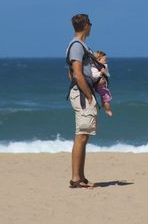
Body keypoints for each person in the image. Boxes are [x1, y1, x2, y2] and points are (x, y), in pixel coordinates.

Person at [65, 14, 100, 189]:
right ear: (86, 25)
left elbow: (70, 72)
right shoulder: (77, 46)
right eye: (90, 23)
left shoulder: (80, 46)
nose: (91, 26)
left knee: (84, 136)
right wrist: (88, 95)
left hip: (81, 92)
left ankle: (81, 176)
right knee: (81, 135)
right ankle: (75, 178)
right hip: (82, 94)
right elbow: (77, 74)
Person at [91, 51, 113, 117]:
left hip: (102, 85)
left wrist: (104, 69)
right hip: (99, 85)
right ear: (98, 59)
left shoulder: (102, 65)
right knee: (107, 97)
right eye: (105, 60)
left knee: (103, 95)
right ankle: (108, 110)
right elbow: (94, 75)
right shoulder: (94, 67)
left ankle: (103, 104)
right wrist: (100, 72)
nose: (106, 61)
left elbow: (107, 73)